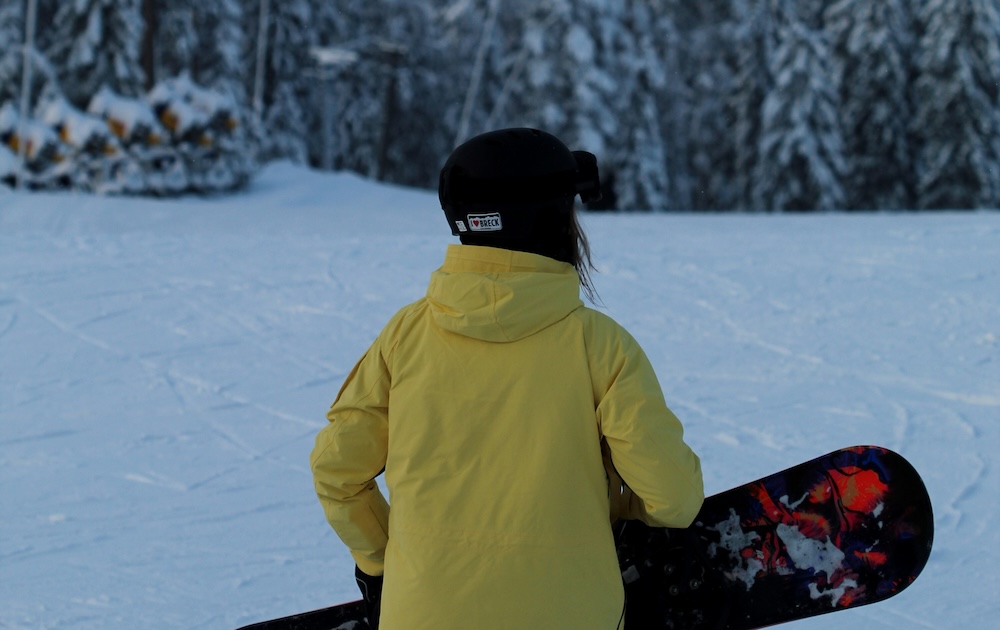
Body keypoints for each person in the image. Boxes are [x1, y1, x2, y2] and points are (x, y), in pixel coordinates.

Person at [310, 127, 704, 629]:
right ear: (554, 219)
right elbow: (673, 497)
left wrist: (389, 564)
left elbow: (336, 473)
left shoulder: (403, 336)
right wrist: (620, 515)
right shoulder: (600, 346)